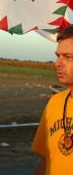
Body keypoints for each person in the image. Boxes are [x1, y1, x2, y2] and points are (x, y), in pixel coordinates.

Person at [32, 25, 73, 174]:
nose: (57, 63)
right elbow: (46, 157)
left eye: (68, 57)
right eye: (58, 56)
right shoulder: (55, 103)